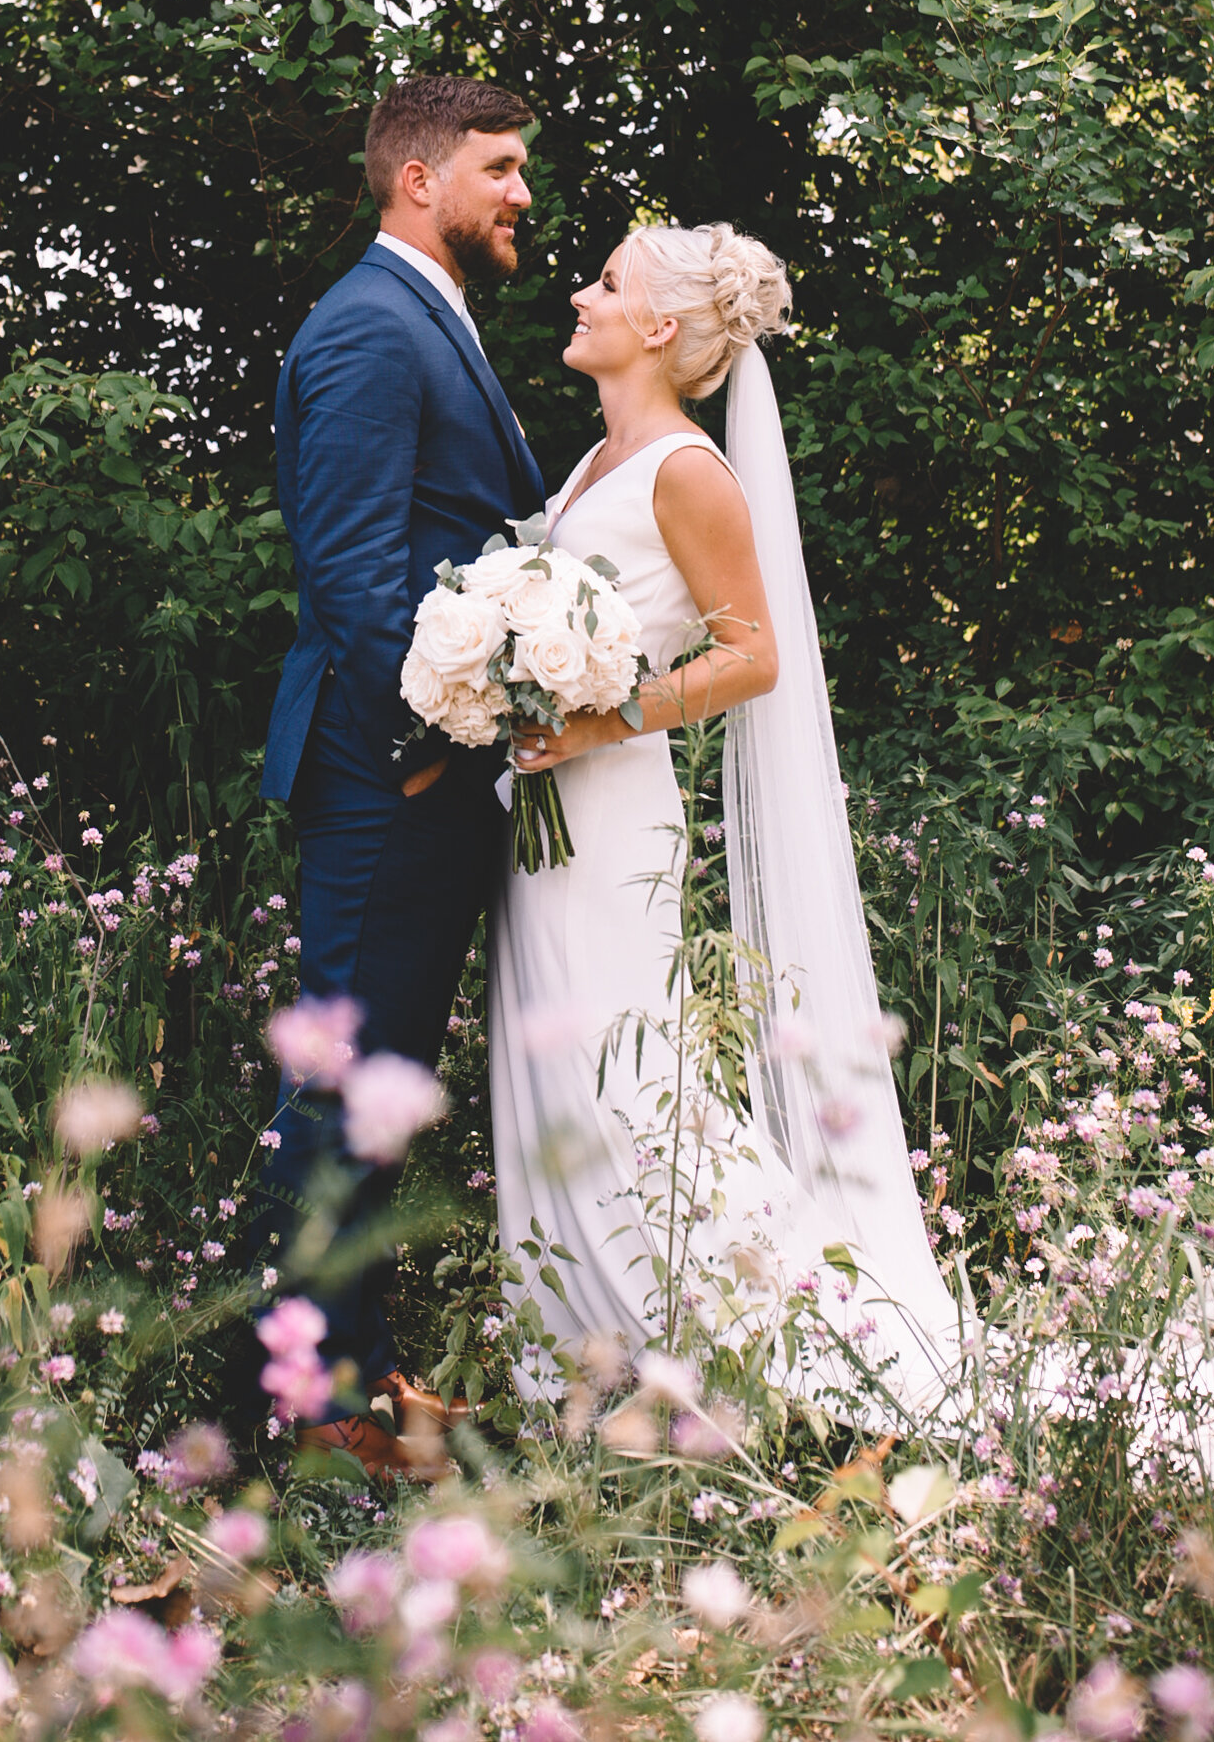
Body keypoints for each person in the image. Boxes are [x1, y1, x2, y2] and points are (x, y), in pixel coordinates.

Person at [488, 220, 969, 1405]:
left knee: (628, 1086)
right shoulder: (596, 463)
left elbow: (752, 656)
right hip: (545, 816)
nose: (579, 293)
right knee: (555, 1072)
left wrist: (607, 719)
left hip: (607, 816)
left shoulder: (686, 471)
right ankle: (585, 1363)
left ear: (657, 327)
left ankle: (775, 1347)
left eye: (604, 282)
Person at [244, 74, 544, 1475]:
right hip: (385, 776)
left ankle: (352, 1375)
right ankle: (303, 1416)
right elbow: (354, 575)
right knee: (343, 1084)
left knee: (382, 1084)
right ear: (418, 177)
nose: (521, 192)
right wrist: (427, 752)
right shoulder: (368, 327)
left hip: (420, 775)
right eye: (500, 165)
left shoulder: (430, 316)